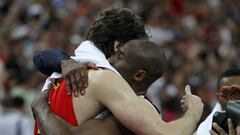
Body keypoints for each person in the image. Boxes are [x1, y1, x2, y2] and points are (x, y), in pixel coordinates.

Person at [33, 39, 203, 135]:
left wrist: (193, 112)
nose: (110, 60)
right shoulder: (116, 105)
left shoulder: (138, 110)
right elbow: (42, 57)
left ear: (139, 75)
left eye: (120, 57)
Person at [196, 68, 240, 135]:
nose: (233, 99)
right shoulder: (204, 129)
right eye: (227, 94)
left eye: (237, 93)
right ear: (217, 98)